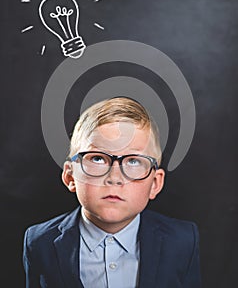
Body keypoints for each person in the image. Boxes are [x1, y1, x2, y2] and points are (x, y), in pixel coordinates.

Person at [23, 97, 201, 288]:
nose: (114, 177)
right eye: (98, 159)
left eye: (133, 161)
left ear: (155, 183)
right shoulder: (40, 242)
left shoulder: (183, 241)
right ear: (70, 177)